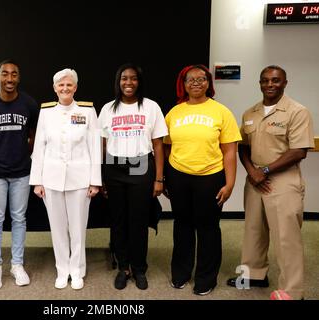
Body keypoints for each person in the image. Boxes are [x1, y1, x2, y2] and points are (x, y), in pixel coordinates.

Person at [226, 65, 314, 300]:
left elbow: (299, 151)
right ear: (260, 83)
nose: (270, 85)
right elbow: (242, 146)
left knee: (286, 238)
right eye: (265, 81)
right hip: (255, 180)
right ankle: (253, 275)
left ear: (285, 83)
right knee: (253, 231)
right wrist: (253, 171)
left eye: (275, 81)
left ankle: (293, 291)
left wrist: (264, 171)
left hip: (283, 182)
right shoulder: (250, 113)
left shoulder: (297, 111)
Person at [163, 64, 241, 296]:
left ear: (209, 83)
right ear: (183, 84)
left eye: (201, 79)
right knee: (182, 225)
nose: (196, 83)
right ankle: (181, 273)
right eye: (190, 80)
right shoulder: (174, 112)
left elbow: (229, 151)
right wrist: (168, 175)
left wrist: (230, 183)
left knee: (208, 228)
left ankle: (206, 278)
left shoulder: (221, 112)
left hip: (211, 177)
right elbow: (166, 146)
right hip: (179, 177)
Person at [29, 68, 101, 290]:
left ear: (75, 87)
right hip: (51, 179)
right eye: (61, 85)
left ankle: (77, 270)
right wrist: (37, 180)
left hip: (80, 179)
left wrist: (95, 181)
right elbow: (39, 146)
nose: (65, 88)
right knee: (58, 228)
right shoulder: (46, 112)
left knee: (78, 228)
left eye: (69, 85)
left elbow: (95, 147)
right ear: (54, 88)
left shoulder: (87, 111)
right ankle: (62, 270)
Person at [98, 63, 168, 290]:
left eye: (133, 78)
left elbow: (158, 144)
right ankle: (123, 267)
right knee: (118, 221)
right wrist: (101, 176)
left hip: (140, 164)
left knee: (138, 220)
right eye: (124, 79)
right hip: (114, 166)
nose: (128, 83)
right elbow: (103, 144)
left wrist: (159, 178)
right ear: (118, 82)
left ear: (139, 81)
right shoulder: (108, 108)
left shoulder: (151, 107)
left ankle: (139, 268)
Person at [0, 59, 39, 289]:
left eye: (14, 74)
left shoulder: (29, 104)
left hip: (22, 171)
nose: (9, 79)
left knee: (19, 218)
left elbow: (34, 137)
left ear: (18, 78)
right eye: (5, 74)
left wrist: (24, 154)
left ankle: (17, 264)